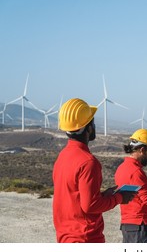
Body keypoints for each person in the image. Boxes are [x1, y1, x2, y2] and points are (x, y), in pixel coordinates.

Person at [52, 98, 135, 243]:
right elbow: (90, 206)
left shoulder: (63, 156)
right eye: (93, 122)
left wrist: (104, 195)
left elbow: (75, 198)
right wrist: (120, 198)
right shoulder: (88, 162)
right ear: (88, 128)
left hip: (65, 237)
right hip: (85, 238)